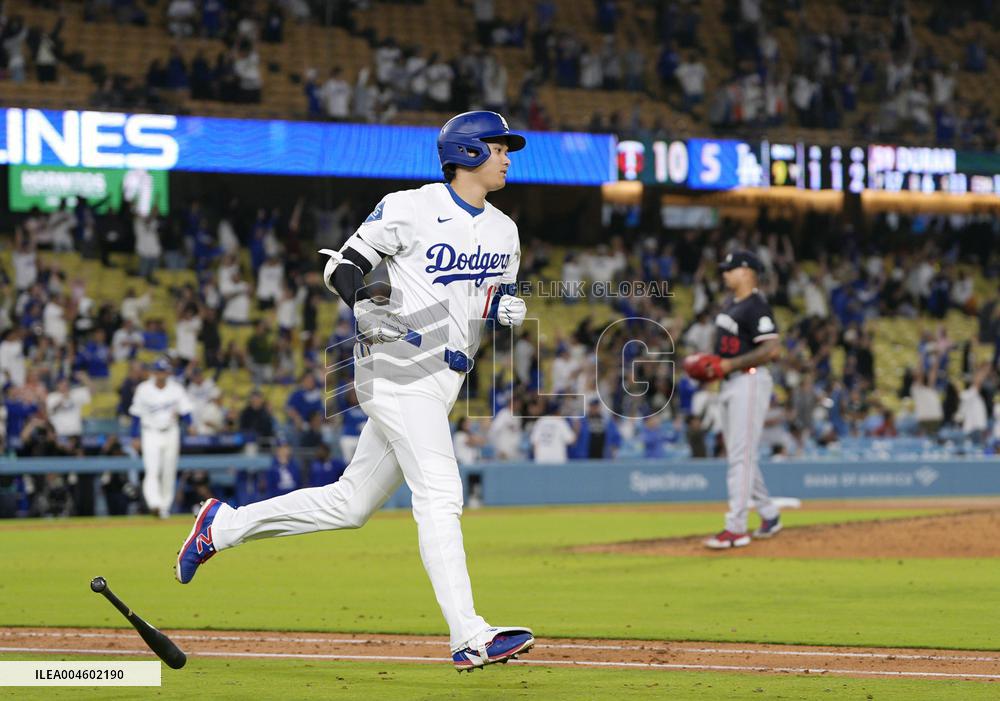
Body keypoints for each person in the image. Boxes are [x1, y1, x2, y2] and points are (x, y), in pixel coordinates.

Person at [175, 111, 534, 670]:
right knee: (440, 493)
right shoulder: (410, 206)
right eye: (498, 146)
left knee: (350, 503)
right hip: (396, 365)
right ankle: (469, 635)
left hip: (447, 378)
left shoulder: (504, 230)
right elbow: (344, 264)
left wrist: (501, 306)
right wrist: (363, 302)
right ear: (467, 152)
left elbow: (481, 296)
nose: (508, 156)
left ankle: (220, 527)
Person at [703, 251, 783, 550]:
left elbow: (772, 349)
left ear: (747, 272)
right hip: (730, 382)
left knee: (741, 455)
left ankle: (736, 527)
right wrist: (713, 365)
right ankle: (769, 514)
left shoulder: (756, 306)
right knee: (741, 454)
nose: (725, 273)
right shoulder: (732, 305)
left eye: (731, 268)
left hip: (749, 381)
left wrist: (729, 364)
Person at [129, 357, 195, 518]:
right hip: (150, 432)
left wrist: (190, 424)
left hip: (171, 431)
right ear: (153, 372)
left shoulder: (176, 389)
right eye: (158, 371)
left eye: (164, 371)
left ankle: (164, 507)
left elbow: (185, 409)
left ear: (168, 372)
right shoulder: (144, 389)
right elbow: (136, 415)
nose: (161, 374)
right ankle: (155, 504)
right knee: (152, 470)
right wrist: (134, 436)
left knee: (168, 471)